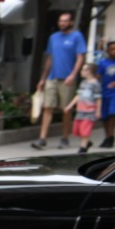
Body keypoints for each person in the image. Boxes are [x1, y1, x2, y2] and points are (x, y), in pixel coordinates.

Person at [33, 11, 87, 150]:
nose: (62, 23)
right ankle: (42, 138)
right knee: (47, 107)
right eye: (60, 21)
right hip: (52, 77)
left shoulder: (77, 36)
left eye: (65, 21)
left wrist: (73, 75)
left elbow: (80, 57)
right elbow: (49, 58)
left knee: (66, 109)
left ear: (71, 22)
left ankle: (65, 137)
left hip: (67, 78)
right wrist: (43, 78)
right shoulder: (53, 37)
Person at [72, 61, 102, 154]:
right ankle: (87, 143)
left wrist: (98, 111)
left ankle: (83, 147)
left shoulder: (95, 84)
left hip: (90, 111)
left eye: (84, 69)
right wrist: (70, 106)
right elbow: (78, 95)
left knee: (85, 129)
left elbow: (98, 99)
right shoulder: (83, 82)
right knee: (78, 129)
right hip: (80, 110)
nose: (81, 71)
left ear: (89, 71)